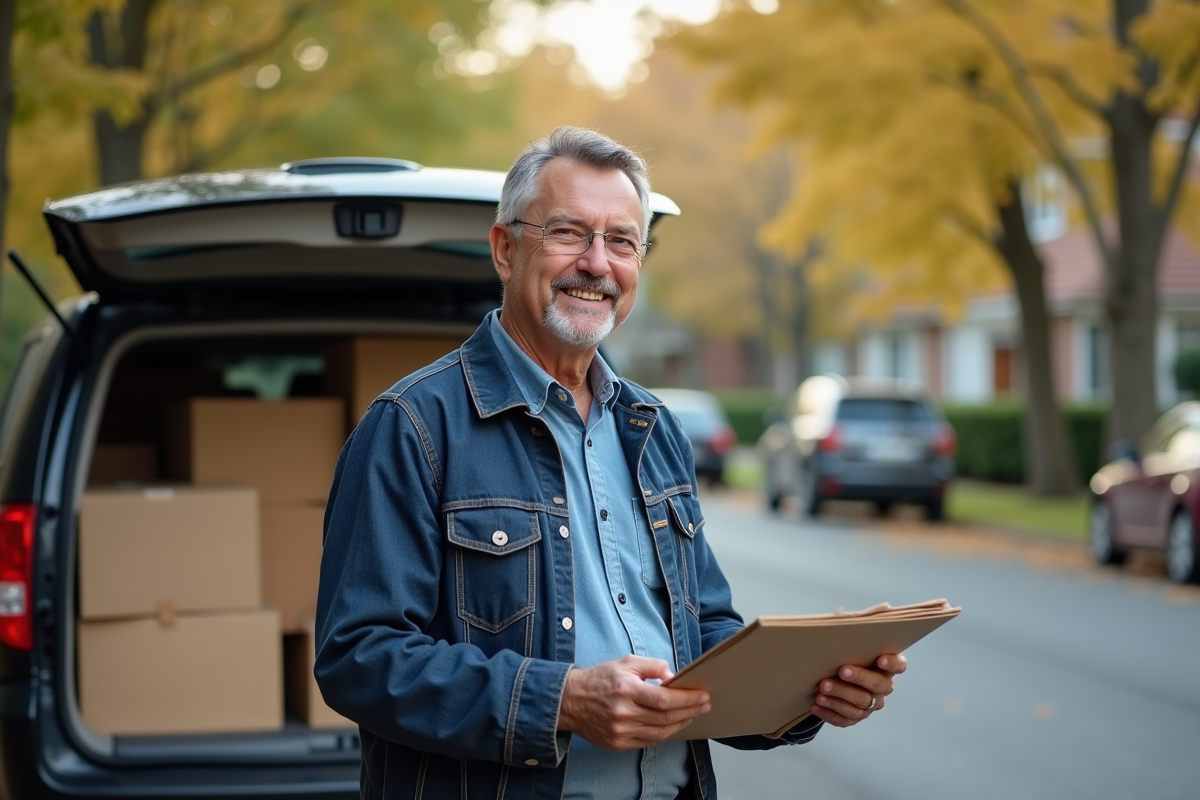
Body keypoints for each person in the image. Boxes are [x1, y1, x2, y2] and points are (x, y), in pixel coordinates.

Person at [314, 126, 907, 800]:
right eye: (569, 233)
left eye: (622, 241)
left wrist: (807, 693)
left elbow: (700, 630)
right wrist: (562, 701)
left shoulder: (654, 428)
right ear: (505, 250)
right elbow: (358, 657)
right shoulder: (414, 426)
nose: (598, 264)